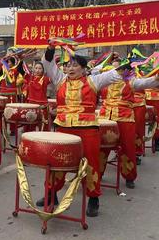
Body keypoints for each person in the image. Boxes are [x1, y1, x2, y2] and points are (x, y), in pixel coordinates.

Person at [41, 45, 122, 217]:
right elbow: (48, 64)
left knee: (91, 163)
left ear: (84, 68)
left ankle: (93, 198)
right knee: (57, 162)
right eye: (68, 65)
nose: (70, 68)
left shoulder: (94, 81)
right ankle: (51, 194)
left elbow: (117, 74)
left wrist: (120, 63)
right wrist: (50, 49)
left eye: (75, 65)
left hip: (88, 130)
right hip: (63, 129)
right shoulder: (60, 79)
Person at [98, 58, 159, 188]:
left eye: (119, 68)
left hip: (124, 118)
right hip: (105, 117)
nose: (116, 71)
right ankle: (97, 173)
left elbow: (146, 82)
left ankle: (129, 177)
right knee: (101, 147)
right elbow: (92, 73)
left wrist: (156, 77)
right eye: (113, 68)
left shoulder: (130, 82)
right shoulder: (103, 81)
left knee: (127, 148)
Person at [22, 61, 51, 129]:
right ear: (33, 69)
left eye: (40, 68)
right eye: (36, 68)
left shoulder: (46, 79)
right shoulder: (30, 78)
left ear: (43, 70)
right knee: (30, 127)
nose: (37, 70)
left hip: (42, 106)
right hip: (31, 105)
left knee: (43, 127)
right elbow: (23, 69)